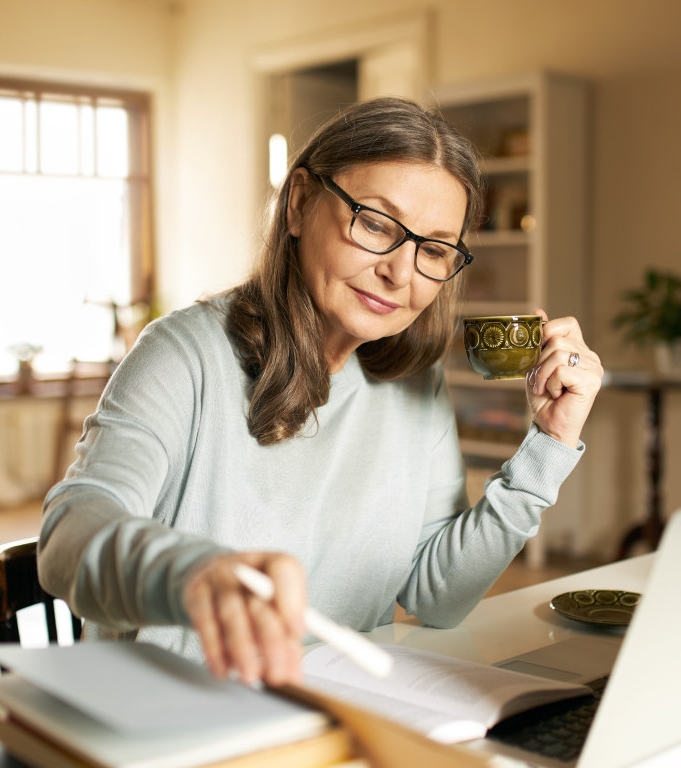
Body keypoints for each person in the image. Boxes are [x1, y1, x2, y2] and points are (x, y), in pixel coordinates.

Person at [38, 96, 603, 688]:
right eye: (376, 223)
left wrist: (549, 444)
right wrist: (190, 574)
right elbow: (68, 536)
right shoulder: (183, 354)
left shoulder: (416, 383)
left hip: (335, 708)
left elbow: (440, 596)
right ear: (300, 203)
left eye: (434, 250)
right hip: (175, 712)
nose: (400, 273)